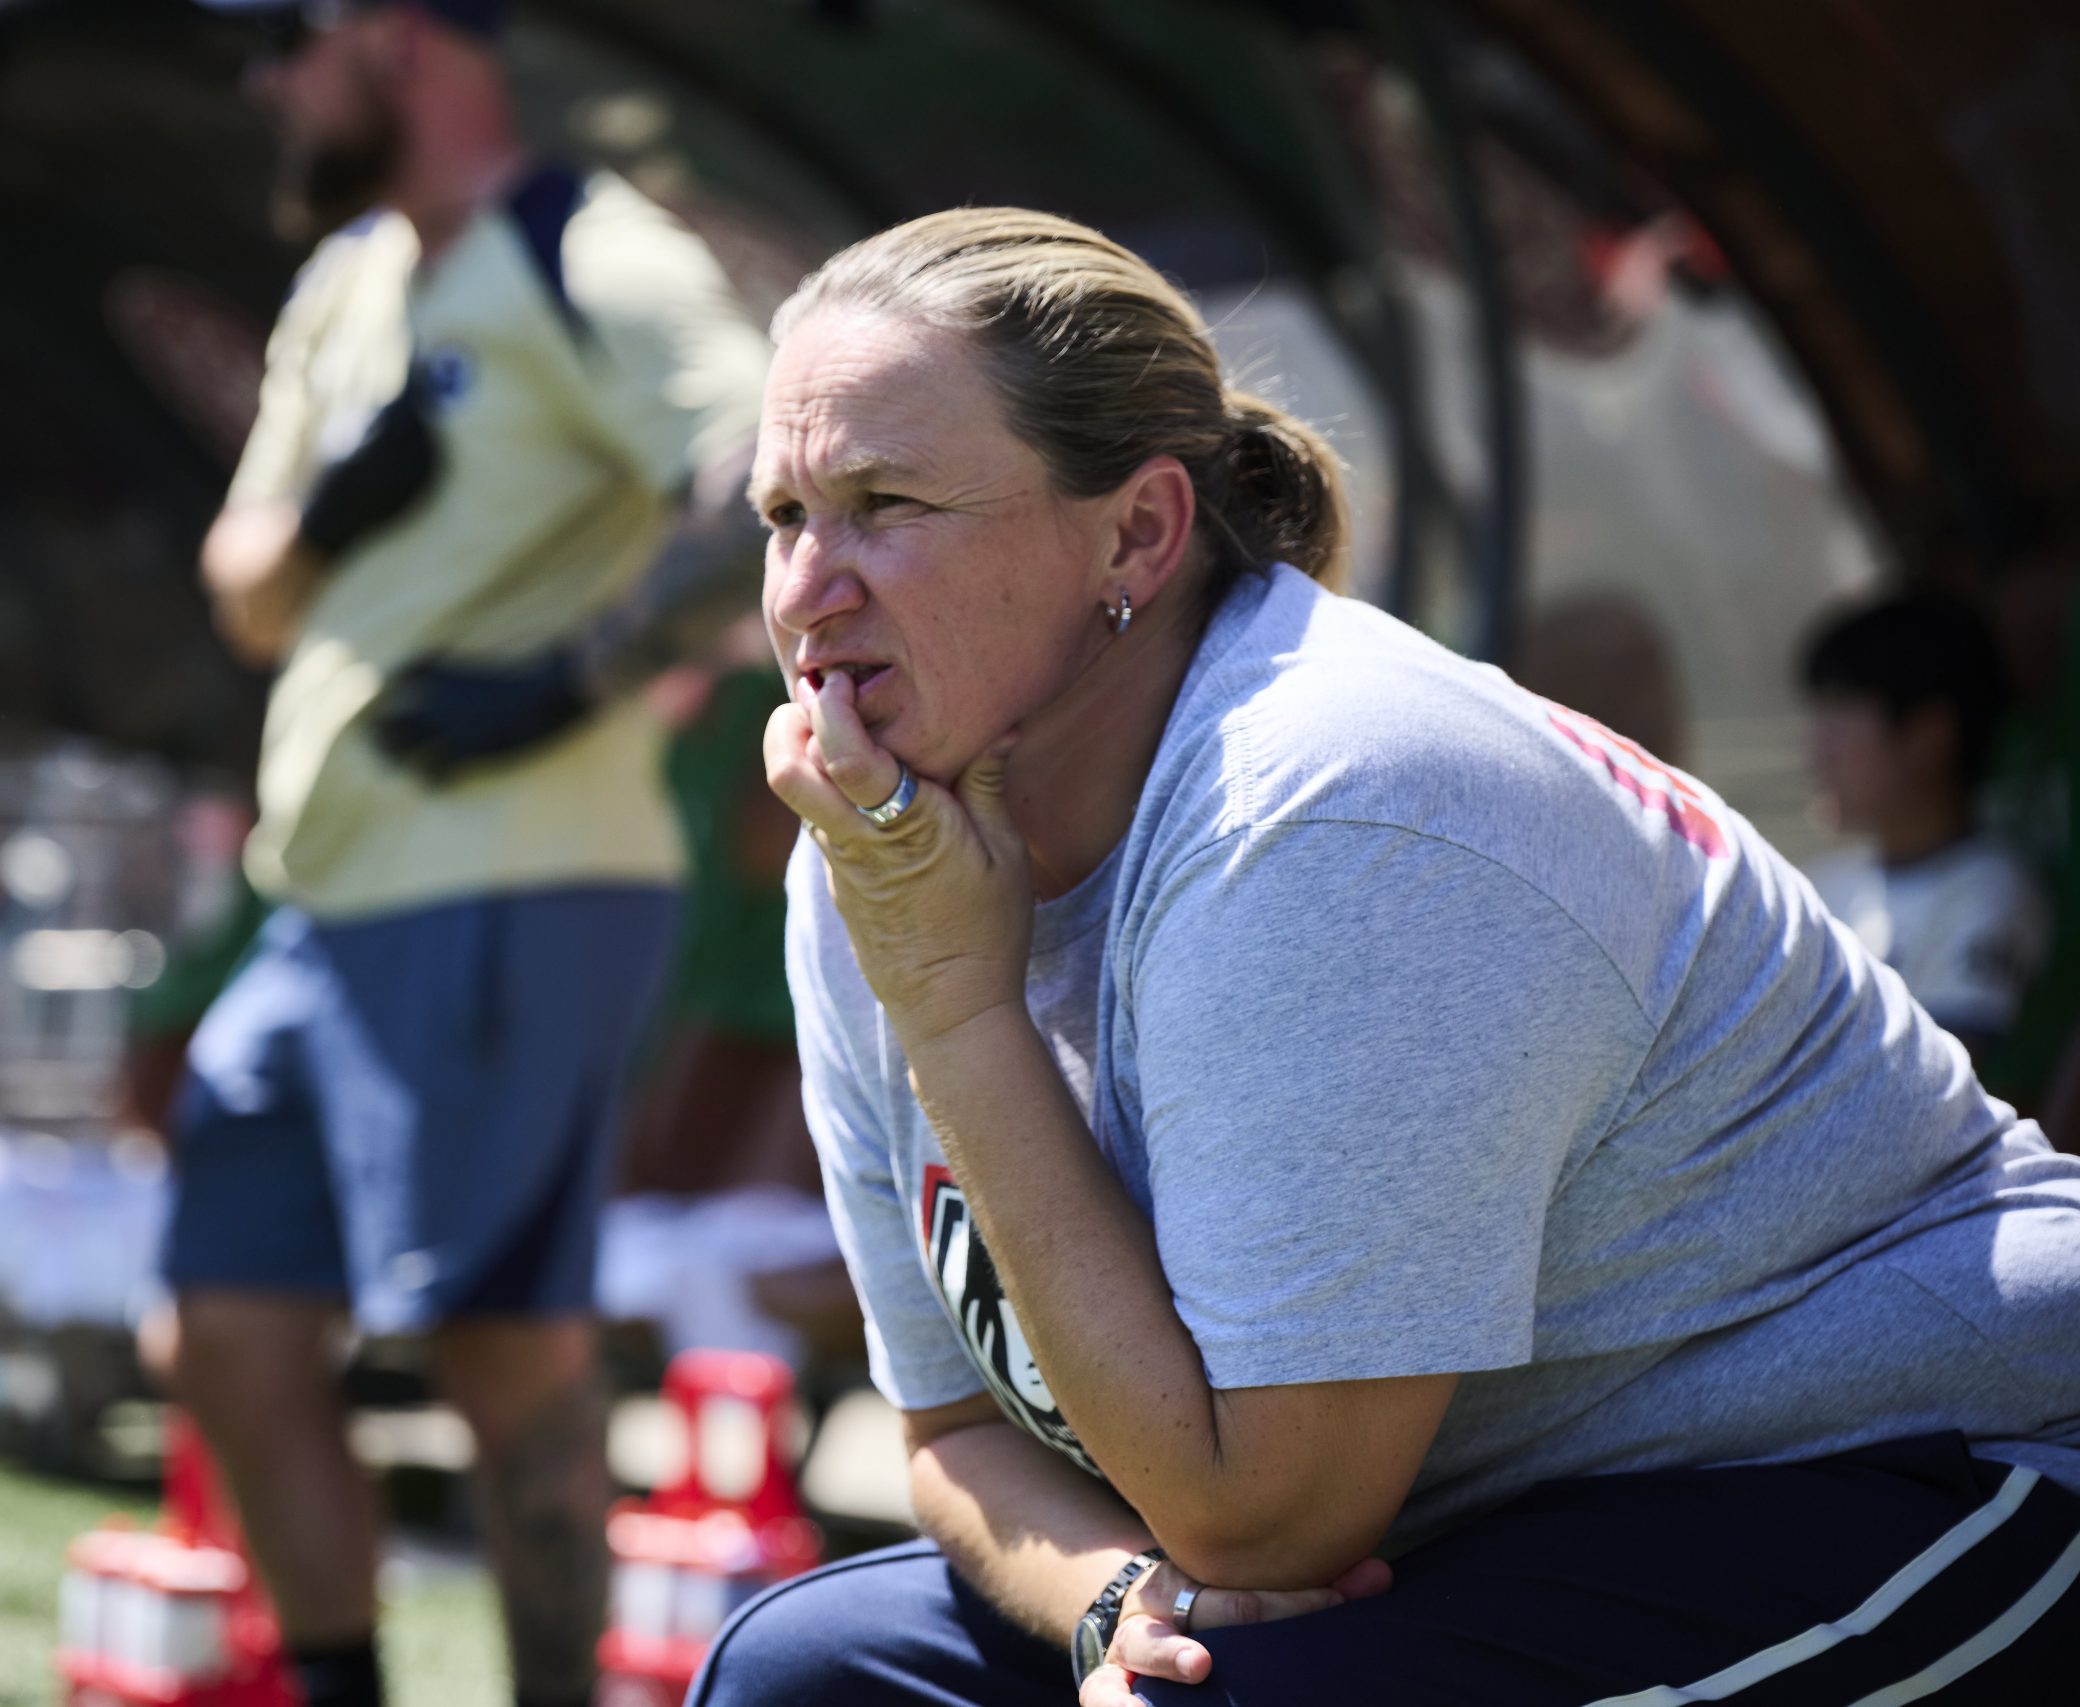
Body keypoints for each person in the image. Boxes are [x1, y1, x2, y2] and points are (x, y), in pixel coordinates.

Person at [691, 208, 2080, 1706]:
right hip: (1480, 1527)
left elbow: (1270, 1512)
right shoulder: (876, 856)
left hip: (1922, 1473)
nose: (805, 591)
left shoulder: (1334, 800)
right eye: (784, 517)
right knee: (801, 1669)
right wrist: (1112, 1603)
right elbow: (951, 1433)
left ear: (1138, 534)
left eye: (885, 502)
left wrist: (959, 1008)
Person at [163, 4, 768, 1705]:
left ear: (393, 32)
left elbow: (764, 460)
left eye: (288, 38)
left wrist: (571, 674)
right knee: (223, 1321)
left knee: (500, 1349)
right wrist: (339, 509)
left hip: (520, 876)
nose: (265, 80)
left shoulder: (590, 250)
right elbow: (246, 587)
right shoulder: (349, 276)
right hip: (321, 893)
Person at [1802, 592, 2047, 1067]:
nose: (1815, 744)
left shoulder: (1993, 894)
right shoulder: (1817, 885)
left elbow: (1931, 1092)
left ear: (1930, 735)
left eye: (1840, 712)